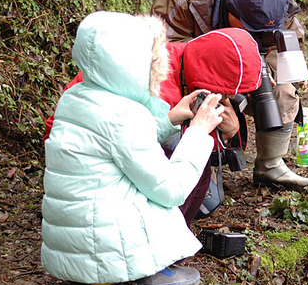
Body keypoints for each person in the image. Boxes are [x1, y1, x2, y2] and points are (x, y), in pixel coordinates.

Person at [41, 11, 261, 285]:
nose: (158, 66)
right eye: (152, 60)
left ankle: (102, 275)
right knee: (164, 183)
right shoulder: (126, 114)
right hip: (104, 236)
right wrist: (197, 132)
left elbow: (117, 142)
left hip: (74, 245)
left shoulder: (78, 96)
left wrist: (169, 118)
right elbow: (171, 190)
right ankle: (153, 272)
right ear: (130, 64)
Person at [43, 27, 262, 223]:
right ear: (210, 76)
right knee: (190, 166)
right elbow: (165, 178)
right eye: (225, 91)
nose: (228, 97)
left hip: (72, 162)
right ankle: (161, 236)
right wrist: (201, 130)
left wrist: (229, 133)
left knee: (199, 175)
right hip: (88, 174)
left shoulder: (179, 56)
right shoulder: (155, 90)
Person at [151, 0, 308, 188]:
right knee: (191, 99)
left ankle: (271, 165)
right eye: (251, 30)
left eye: (263, 32)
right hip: (194, 69)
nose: (256, 37)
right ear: (231, 12)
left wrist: (255, 81)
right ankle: (191, 162)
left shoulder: (276, 3)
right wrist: (219, 82)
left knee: (283, 89)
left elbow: (291, 55)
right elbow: (163, 55)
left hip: (247, 64)